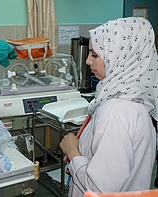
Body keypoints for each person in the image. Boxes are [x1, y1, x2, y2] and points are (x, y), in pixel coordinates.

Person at [59, 17, 158, 197]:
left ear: (121, 57)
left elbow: (99, 189)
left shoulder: (115, 112)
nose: (88, 61)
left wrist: (72, 151)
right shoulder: (137, 104)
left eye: (95, 55)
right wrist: (80, 164)